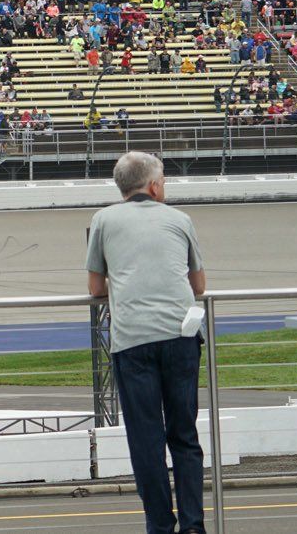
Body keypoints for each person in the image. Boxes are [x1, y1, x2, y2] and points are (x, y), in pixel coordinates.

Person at [86, 152, 207, 534]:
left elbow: (94, 288)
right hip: (180, 334)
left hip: (133, 339)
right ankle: (193, 525)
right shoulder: (180, 219)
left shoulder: (103, 219)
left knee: (146, 440)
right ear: (154, 186)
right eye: (165, 181)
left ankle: (159, 524)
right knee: (184, 435)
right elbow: (199, 286)